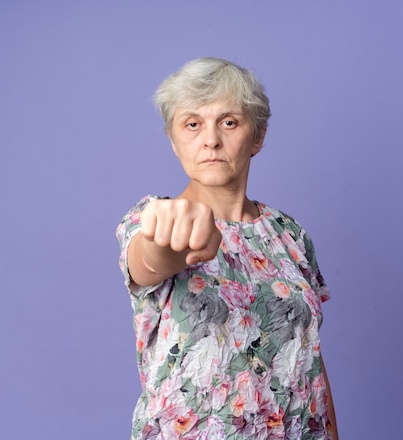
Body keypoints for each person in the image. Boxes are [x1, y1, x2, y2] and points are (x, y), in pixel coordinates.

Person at [116, 57, 338, 440]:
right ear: (173, 140)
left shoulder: (289, 233)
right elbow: (149, 261)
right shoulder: (151, 217)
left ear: (258, 136)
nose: (211, 139)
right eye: (192, 124)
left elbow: (308, 359)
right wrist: (168, 238)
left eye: (229, 122)